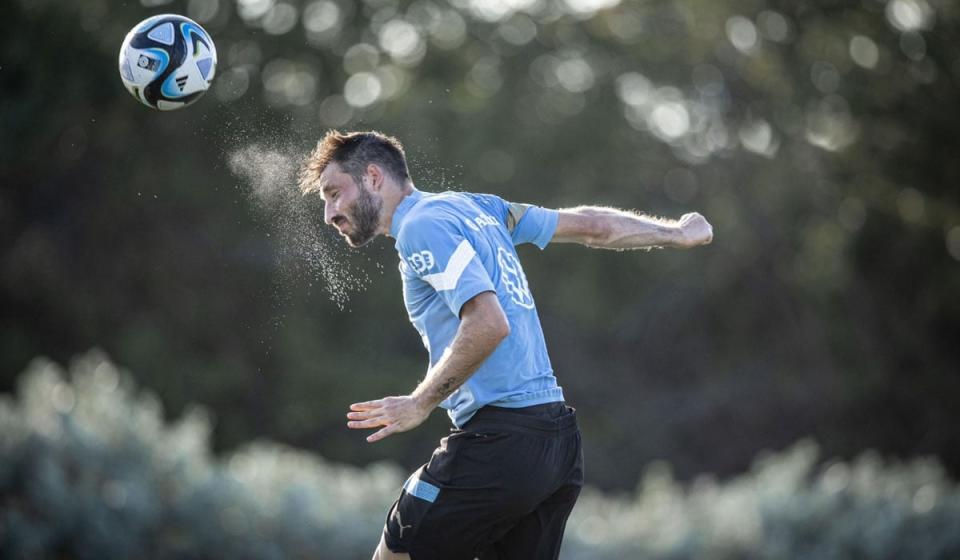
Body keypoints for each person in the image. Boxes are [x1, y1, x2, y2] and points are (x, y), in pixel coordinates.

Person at [298, 131, 713, 560]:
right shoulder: (478, 207)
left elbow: (489, 324)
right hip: (557, 445)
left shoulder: (419, 227)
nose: (329, 212)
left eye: (334, 194)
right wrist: (676, 232)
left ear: (372, 177)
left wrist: (420, 402)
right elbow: (594, 226)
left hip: (501, 444)